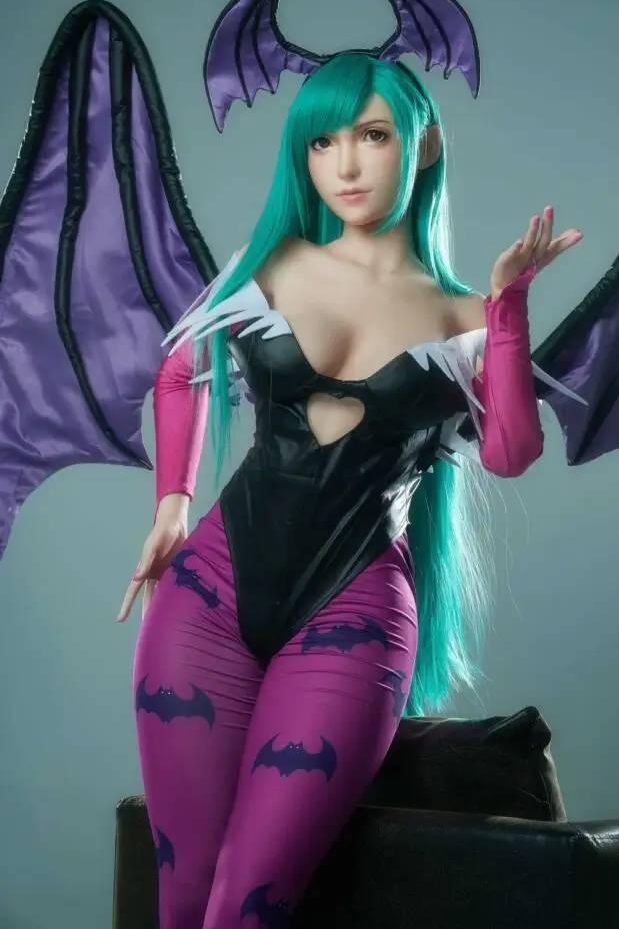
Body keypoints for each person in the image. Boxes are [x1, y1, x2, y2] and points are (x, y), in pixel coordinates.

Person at [117, 53, 582, 928]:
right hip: (206, 595)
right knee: (181, 897)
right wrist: (172, 506)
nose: (346, 165)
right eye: (322, 142)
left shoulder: (462, 318)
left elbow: (511, 453)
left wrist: (507, 310)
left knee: (249, 905)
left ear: (424, 146)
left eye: (372, 136)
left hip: (354, 615)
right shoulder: (272, 264)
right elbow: (180, 367)